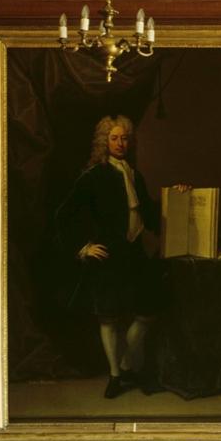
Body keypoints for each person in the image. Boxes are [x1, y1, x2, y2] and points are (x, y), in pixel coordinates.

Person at [58, 115, 166, 398]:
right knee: (108, 318)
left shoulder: (134, 174)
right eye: (115, 138)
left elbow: (150, 216)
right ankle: (115, 376)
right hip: (108, 256)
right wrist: (82, 247)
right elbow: (63, 216)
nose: (121, 143)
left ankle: (127, 363)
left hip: (134, 253)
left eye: (125, 138)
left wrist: (176, 197)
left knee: (147, 313)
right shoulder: (93, 176)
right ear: (104, 142)